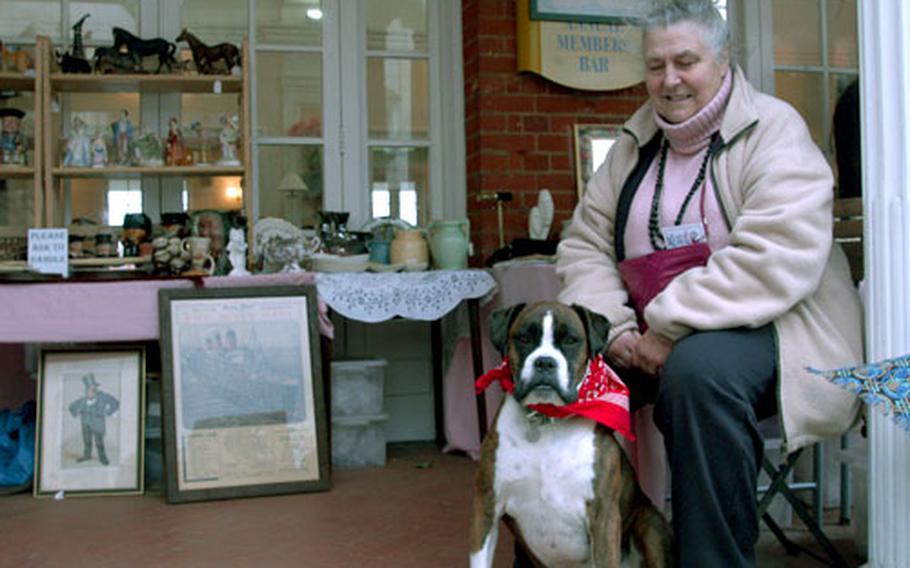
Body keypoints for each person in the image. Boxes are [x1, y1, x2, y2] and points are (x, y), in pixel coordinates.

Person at [555, 2, 863, 566]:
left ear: (722, 61)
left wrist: (667, 330)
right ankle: (572, 549)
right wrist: (617, 329)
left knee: (698, 374)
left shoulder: (773, 130)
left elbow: (772, 258)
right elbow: (584, 244)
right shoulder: (632, 145)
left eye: (685, 61)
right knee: (553, 366)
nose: (669, 80)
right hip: (648, 332)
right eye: (655, 65)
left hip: (775, 328)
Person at [68, 373, 120, 466]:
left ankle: (103, 458)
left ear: (96, 388)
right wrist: (76, 413)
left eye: (92, 388)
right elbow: (71, 406)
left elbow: (115, 403)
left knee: (99, 442)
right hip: (85, 425)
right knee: (87, 442)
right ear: (86, 390)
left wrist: (108, 412)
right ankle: (87, 456)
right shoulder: (83, 400)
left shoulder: (103, 397)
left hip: (97, 425)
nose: (91, 391)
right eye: (88, 389)